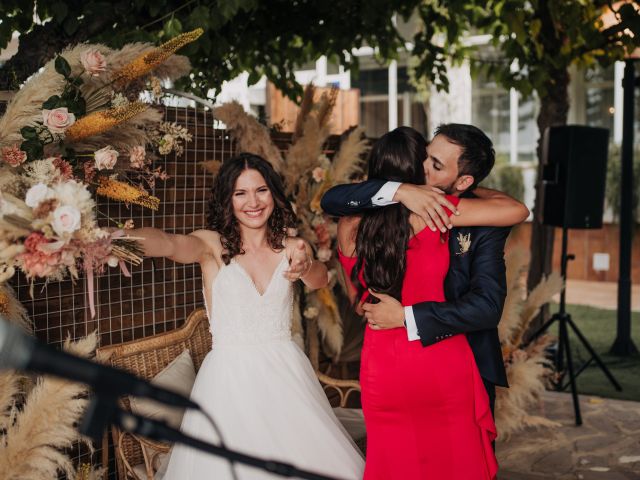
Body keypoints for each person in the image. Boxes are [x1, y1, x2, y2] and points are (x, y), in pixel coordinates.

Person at [133, 153, 364, 480]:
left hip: (286, 379)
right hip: (227, 384)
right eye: (240, 193)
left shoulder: (292, 246)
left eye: (261, 190)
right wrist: (118, 240)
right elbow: (169, 244)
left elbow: (321, 279)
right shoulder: (211, 245)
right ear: (228, 199)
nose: (252, 202)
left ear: (273, 194)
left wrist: (305, 266)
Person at [330, 126, 529, 479]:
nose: (424, 170)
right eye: (422, 159)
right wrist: (406, 192)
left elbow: (356, 299)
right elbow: (516, 209)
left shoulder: (350, 225)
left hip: (383, 364)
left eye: (434, 164)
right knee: (454, 464)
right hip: (440, 362)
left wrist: (400, 190)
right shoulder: (442, 212)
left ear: (463, 180)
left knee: (393, 463)